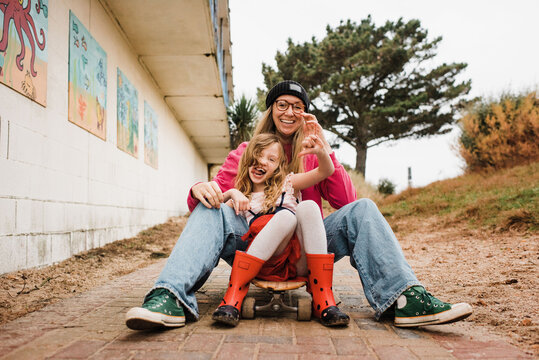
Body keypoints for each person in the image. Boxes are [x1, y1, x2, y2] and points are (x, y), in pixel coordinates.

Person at [125, 80, 472, 330]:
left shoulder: (314, 156)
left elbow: (346, 203)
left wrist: (326, 153)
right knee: (210, 208)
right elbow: (214, 195)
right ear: (272, 110)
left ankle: (405, 298)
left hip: (307, 249)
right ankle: (169, 295)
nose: (290, 111)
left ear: (305, 113)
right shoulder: (248, 151)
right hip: (253, 244)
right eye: (282, 104)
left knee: (363, 208)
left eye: (298, 106)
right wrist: (200, 188)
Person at [212, 132, 350, 327]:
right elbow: (218, 215)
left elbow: (325, 171)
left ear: (279, 166)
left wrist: (320, 151)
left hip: (296, 262)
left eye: (271, 159)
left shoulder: (288, 184)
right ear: (248, 158)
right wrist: (233, 193)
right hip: (266, 262)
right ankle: (233, 296)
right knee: (285, 216)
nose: (262, 162)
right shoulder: (243, 196)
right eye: (258, 155)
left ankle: (323, 298)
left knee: (308, 206)